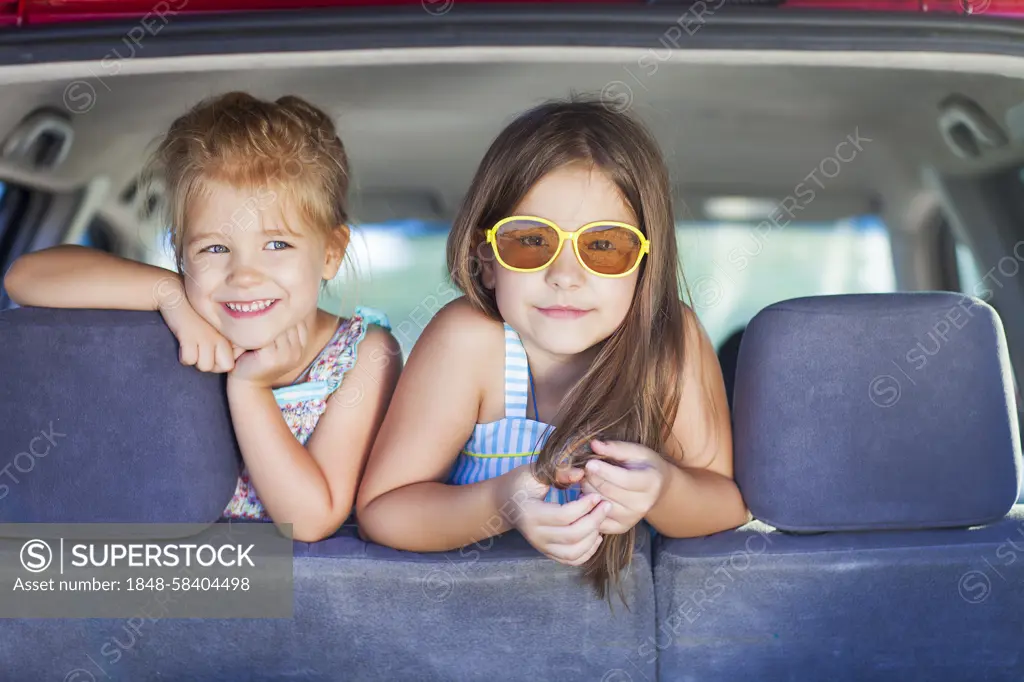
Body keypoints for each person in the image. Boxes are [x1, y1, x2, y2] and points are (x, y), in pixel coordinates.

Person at [356, 98, 749, 599]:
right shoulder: (469, 341)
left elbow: (726, 505)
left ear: (645, 263)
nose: (565, 275)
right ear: (487, 259)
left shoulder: (670, 342)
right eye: (531, 242)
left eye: (604, 246)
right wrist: (503, 503)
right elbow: (383, 512)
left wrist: (663, 490)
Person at [4, 92, 401, 543]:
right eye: (214, 248)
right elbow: (24, 277)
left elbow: (311, 519)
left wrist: (251, 389)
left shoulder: (362, 354)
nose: (244, 275)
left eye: (277, 245)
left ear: (331, 253)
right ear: (180, 254)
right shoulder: (191, 315)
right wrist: (167, 293)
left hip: (303, 596)